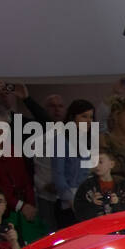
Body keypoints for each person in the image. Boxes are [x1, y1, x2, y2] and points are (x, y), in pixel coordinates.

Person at [51, 98, 97, 229]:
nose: (89, 121)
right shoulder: (61, 140)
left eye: (91, 117)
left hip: (88, 200)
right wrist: (72, 201)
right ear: (72, 117)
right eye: (84, 116)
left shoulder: (88, 141)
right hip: (69, 204)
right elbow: (58, 174)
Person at [74, 150, 125, 221]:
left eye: (100, 162)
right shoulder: (86, 186)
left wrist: (117, 204)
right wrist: (93, 204)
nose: (96, 165)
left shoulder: (124, 184)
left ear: (111, 164)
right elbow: (79, 214)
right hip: (97, 227)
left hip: (121, 224)